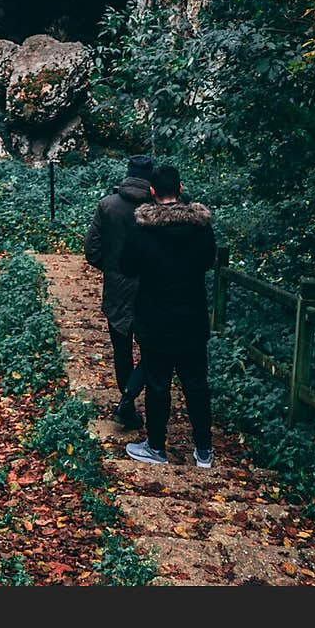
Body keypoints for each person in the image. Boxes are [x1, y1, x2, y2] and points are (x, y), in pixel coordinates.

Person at [120, 163, 216, 468]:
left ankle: (157, 447)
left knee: (158, 383)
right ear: (181, 189)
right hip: (192, 318)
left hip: (156, 319)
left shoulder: (144, 229)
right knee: (196, 383)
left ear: (151, 192)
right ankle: (203, 450)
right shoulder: (201, 229)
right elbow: (208, 261)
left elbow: (126, 265)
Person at [84, 153, 153, 430]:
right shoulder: (157, 209)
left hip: (116, 287)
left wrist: (112, 268)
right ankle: (133, 397)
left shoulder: (108, 205)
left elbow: (92, 249)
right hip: (151, 288)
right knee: (154, 348)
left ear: (127, 173)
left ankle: (128, 404)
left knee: (121, 349)